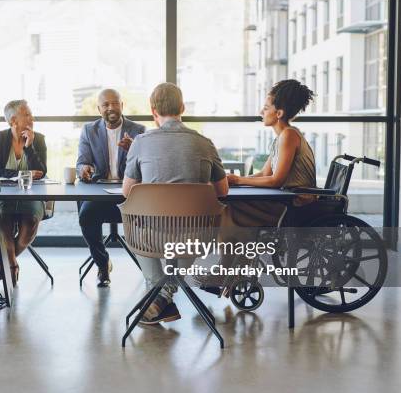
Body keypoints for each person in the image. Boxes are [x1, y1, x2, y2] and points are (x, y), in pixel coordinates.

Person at [122, 82, 229, 324]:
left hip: (150, 235)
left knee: (131, 217)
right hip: (197, 235)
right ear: (182, 107)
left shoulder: (140, 142)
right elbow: (222, 191)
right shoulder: (205, 143)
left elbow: (127, 191)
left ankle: (159, 293)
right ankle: (163, 297)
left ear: (153, 111)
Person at [76, 88, 146, 287]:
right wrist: (84, 169)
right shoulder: (89, 130)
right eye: (106, 104)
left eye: (115, 103)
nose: (111, 108)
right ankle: (102, 263)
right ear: (99, 109)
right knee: (85, 215)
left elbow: (148, 165)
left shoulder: (138, 130)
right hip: (100, 192)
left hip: (130, 193)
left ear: (122, 106)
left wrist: (134, 148)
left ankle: (149, 265)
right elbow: (81, 162)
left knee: (148, 215)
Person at [226, 79, 316, 227]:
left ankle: (234, 247)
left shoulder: (289, 135)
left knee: (231, 206)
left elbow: (276, 181)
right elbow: (264, 174)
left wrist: (238, 180)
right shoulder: (281, 137)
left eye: (266, 108)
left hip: (294, 205)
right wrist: (237, 180)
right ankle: (235, 247)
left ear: (279, 113)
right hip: (285, 199)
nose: (261, 112)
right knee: (231, 202)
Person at [0, 100, 47, 287]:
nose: (32, 118)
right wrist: (23, 174)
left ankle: (5, 261)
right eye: (28, 114)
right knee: (2, 220)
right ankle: (12, 265)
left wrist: (29, 147)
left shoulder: (38, 139)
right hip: (4, 195)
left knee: (30, 222)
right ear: (13, 120)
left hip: (31, 195)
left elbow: (41, 171)